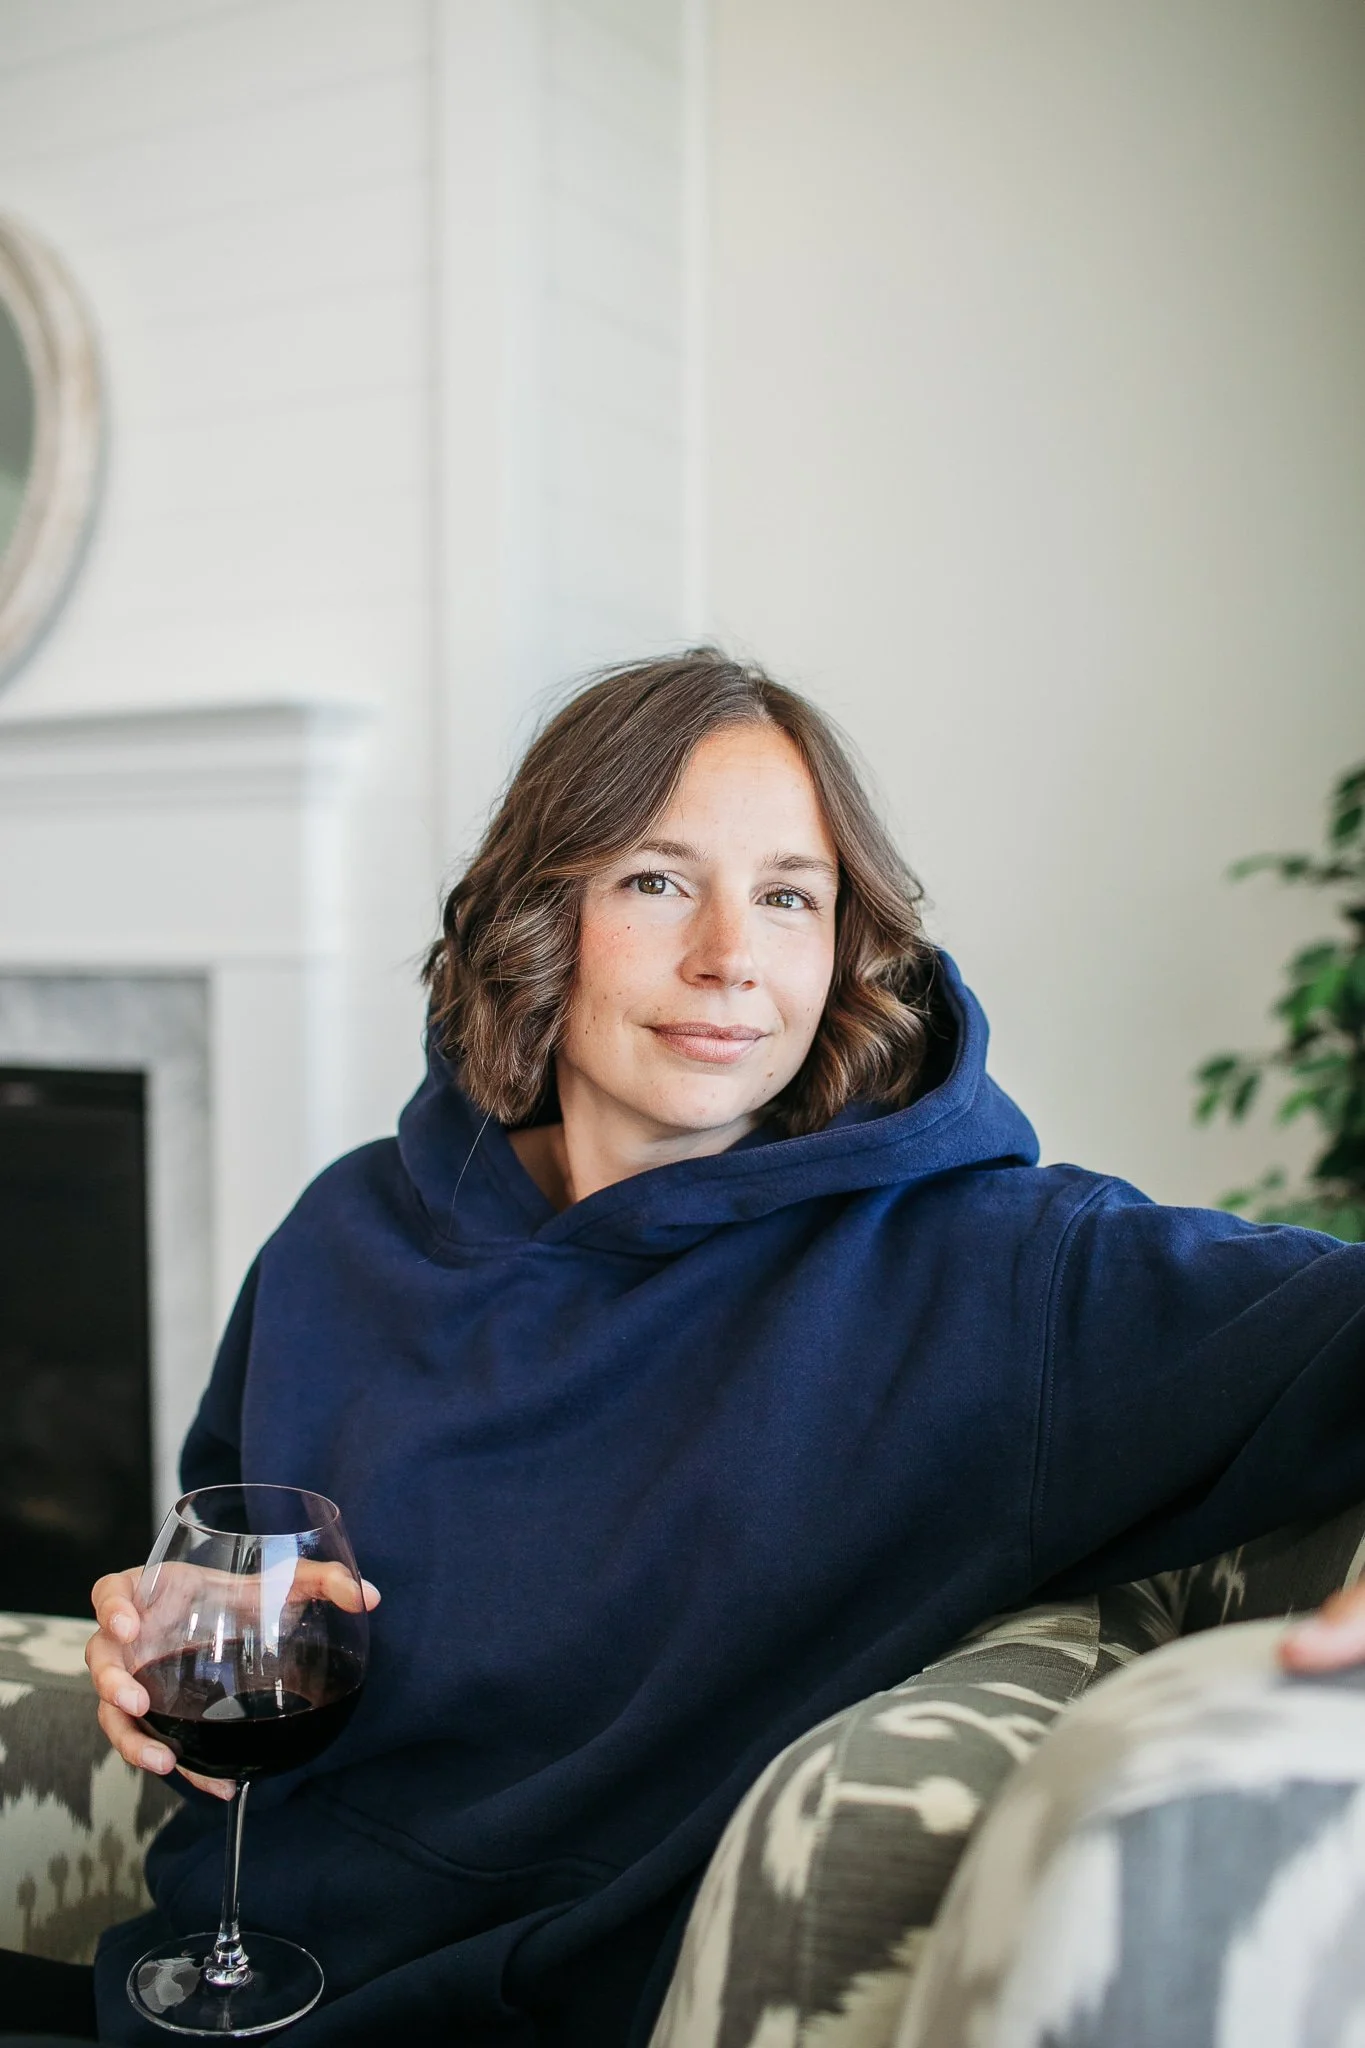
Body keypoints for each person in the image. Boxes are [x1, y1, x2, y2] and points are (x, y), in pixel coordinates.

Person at [19, 649, 1365, 2045]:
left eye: (789, 896)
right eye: (659, 879)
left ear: (845, 945)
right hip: (203, 1984)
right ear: (547, 915)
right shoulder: (348, 1226)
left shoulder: (994, 1272)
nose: (729, 956)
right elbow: (231, 1577)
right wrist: (160, 1648)